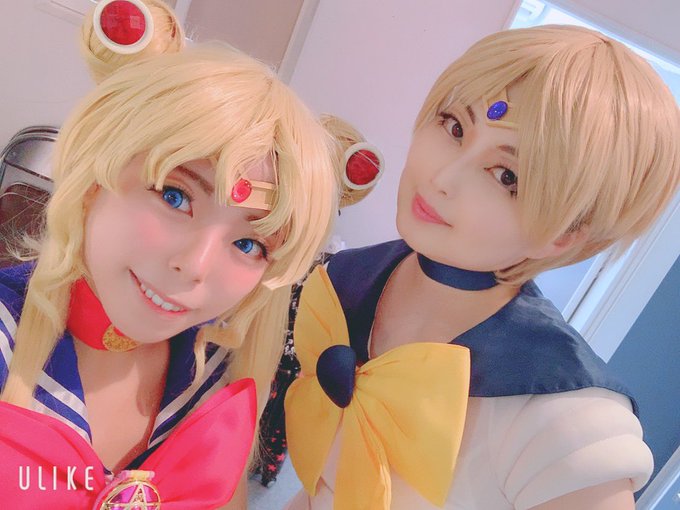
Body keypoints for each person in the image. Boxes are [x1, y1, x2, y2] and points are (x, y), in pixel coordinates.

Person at [283, 24, 680, 510]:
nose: (443, 177)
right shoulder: (344, 284)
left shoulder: (569, 423)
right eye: (454, 127)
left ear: (568, 233)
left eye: (506, 175)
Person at [0, 0, 336, 508]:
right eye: (175, 197)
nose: (194, 266)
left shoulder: (215, 375)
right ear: (94, 178)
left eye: (249, 244)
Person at [254, 114, 384, 486]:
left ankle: (265, 468)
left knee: (279, 412)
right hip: (262, 337)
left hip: (294, 356)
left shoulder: (334, 263)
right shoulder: (276, 237)